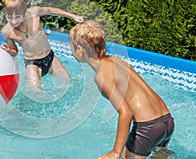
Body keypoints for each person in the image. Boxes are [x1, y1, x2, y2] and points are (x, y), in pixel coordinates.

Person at [69, 20, 174, 159]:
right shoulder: (115, 60)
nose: (70, 51)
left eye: (71, 47)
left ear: (80, 50)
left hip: (147, 127)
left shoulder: (102, 77)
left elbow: (126, 112)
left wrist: (115, 152)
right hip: (167, 121)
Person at [1, 0, 84, 88]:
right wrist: (9, 51)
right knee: (33, 91)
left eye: (17, 17)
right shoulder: (6, 31)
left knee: (69, 83)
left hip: (49, 57)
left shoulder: (34, 13)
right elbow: (14, 51)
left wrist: (72, 16)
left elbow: (50, 10)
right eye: (9, 17)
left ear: (23, 11)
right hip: (32, 62)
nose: (14, 21)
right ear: (5, 13)